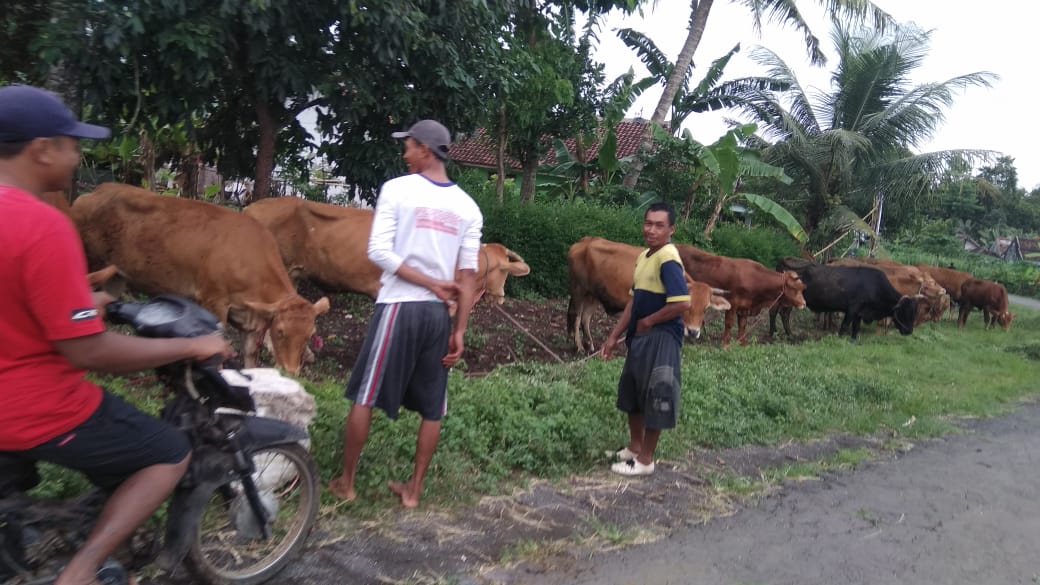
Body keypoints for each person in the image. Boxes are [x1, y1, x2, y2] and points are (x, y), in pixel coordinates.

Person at [0, 85, 233, 585]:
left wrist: (83, 305)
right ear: (42, 149)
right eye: (70, 143)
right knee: (168, 451)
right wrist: (192, 344)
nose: (77, 154)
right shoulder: (43, 225)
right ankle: (81, 570)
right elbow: (89, 350)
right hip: (35, 407)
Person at [329, 119, 482, 508]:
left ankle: (346, 484)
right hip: (437, 317)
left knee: (364, 395)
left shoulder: (397, 190)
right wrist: (459, 329)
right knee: (433, 407)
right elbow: (467, 275)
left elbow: (379, 253)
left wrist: (429, 284)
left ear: (426, 150)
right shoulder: (468, 207)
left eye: (409, 146)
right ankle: (413, 491)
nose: (405, 153)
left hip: (399, 306)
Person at [601, 202, 691, 476]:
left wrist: (650, 321)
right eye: (648, 223)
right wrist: (614, 335)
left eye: (659, 225)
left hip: (661, 337)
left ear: (671, 229)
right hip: (640, 336)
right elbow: (634, 300)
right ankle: (635, 447)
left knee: (656, 395)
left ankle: (646, 461)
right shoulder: (644, 256)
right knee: (633, 392)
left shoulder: (668, 259)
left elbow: (682, 303)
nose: (651, 230)